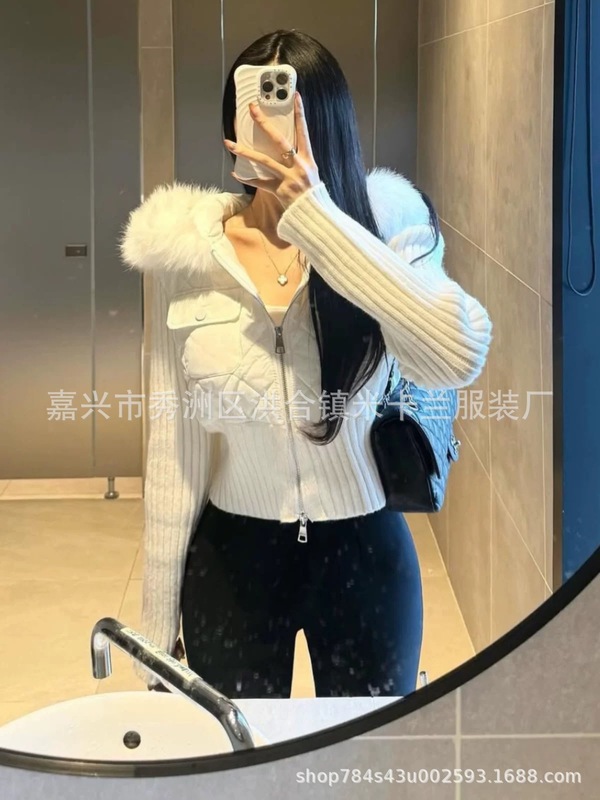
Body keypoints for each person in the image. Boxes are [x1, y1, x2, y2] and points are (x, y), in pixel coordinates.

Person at [120, 29, 492, 699]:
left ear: (328, 122)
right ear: (232, 124)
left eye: (290, 110)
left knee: (363, 754)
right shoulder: (187, 256)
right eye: (254, 109)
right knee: (238, 753)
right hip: (233, 561)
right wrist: (153, 630)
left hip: (364, 557)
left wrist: (319, 219)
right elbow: (174, 449)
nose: (272, 130)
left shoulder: (389, 227)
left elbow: (455, 354)